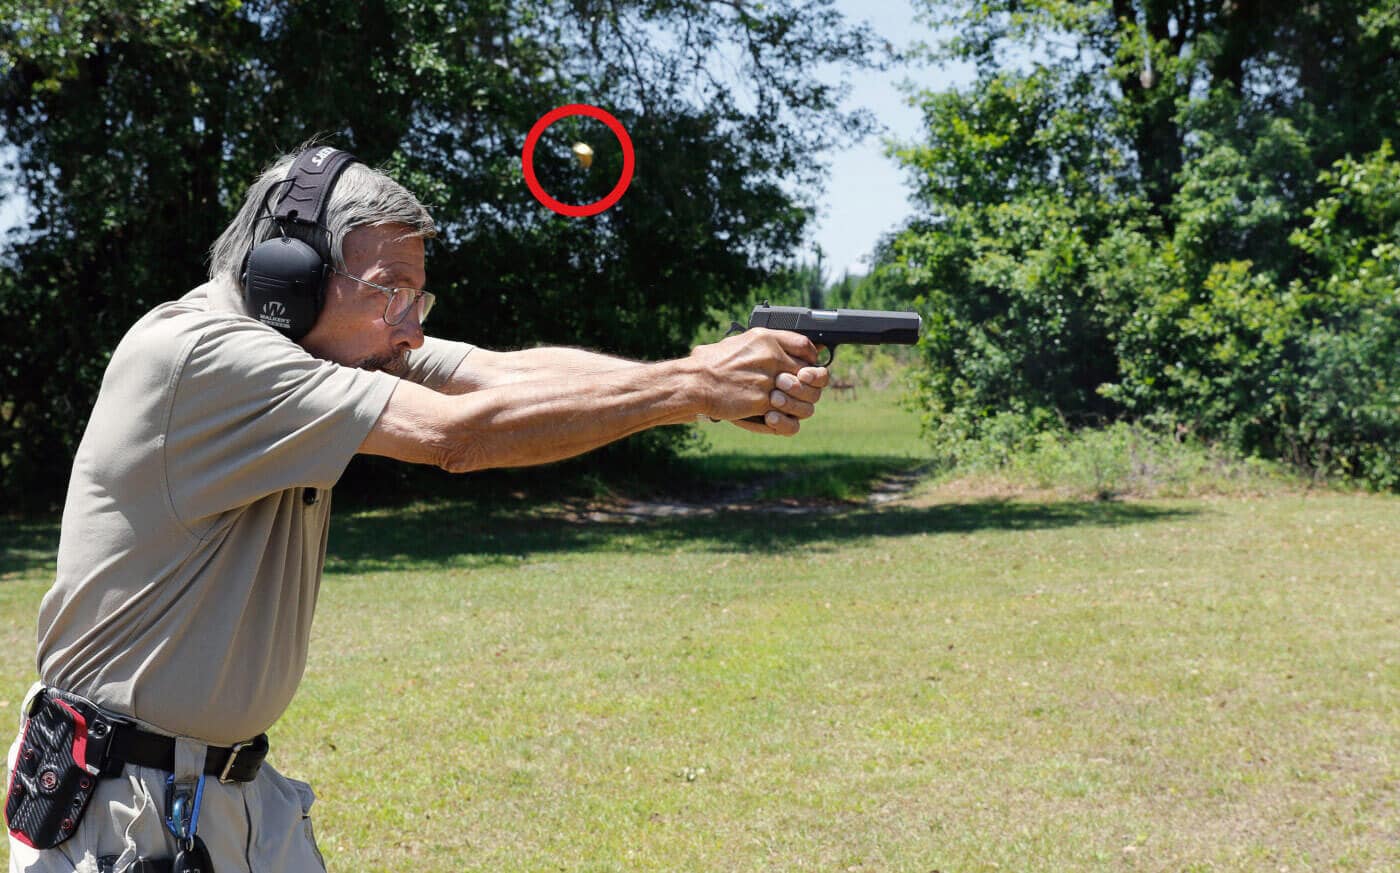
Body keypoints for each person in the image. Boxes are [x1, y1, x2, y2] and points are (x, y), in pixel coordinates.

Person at [4, 147, 826, 873]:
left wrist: (701, 385)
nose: (408, 330)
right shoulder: (203, 354)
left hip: (223, 794)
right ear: (285, 274)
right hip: (123, 810)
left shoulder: (324, 343)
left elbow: (505, 377)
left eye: (417, 299)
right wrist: (688, 385)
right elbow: (457, 436)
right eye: (390, 292)